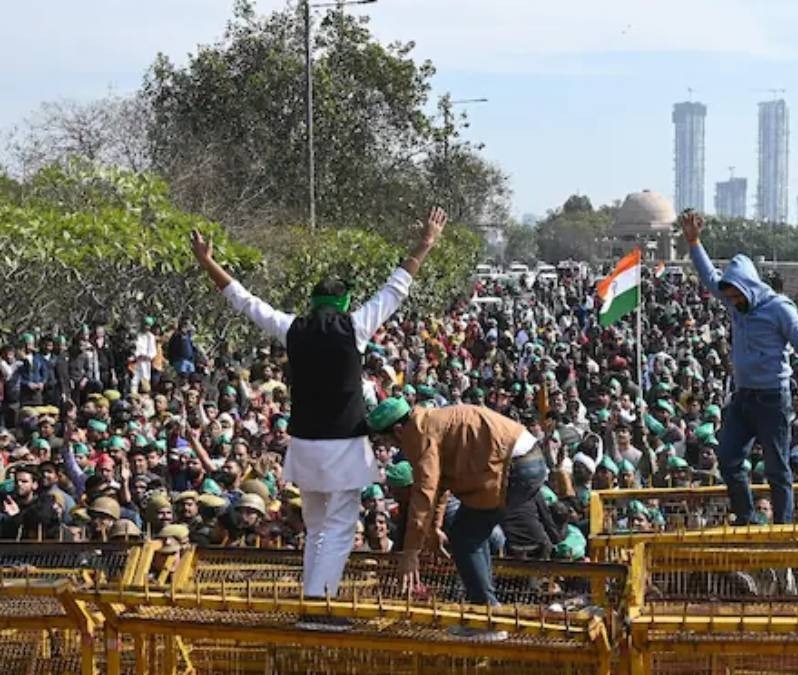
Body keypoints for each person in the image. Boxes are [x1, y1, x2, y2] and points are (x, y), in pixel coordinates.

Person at [190, 207, 446, 629]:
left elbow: (244, 301)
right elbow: (396, 288)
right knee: (340, 528)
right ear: (344, 302)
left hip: (305, 447)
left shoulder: (293, 328)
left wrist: (207, 262)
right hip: (343, 448)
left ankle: (314, 604)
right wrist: (425, 244)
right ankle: (319, 609)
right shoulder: (356, 326)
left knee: (316, 527)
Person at [680, 210, 798, 526]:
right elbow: (708, 277)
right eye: (728, 296)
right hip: (743, 397)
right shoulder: (732, 298)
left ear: (749, 287)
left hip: (773, 398)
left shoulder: (779, 309)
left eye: (736, 296)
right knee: (728, 459)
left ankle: (782, 527)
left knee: (776, 468)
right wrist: (693, 242)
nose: (731, 301)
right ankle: (748, 517)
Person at [367, 396, 544, 641]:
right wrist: (436, 527)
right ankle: (486, 611)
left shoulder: (421, 434)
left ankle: (487, 618)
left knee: (465, 536)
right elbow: (440, 485)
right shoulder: (429, 423)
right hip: (524, 461)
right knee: (467, 533)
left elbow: (425, 492)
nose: (394, 448)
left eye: (388, 441)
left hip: (515, 465)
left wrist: (410, 553)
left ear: (398, 430)